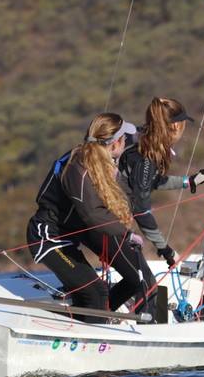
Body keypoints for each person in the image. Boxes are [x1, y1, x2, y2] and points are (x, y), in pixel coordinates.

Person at [27, 112, 156, 322]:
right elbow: (92, 214)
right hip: (49, 237)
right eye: (124, 139)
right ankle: (89, 324)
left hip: (78, 231)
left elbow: (127, 197)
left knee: (137, 278)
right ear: (114, 143)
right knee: (97, 293)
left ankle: (96, 318)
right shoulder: (77, 166)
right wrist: (126, 234)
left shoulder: (105, 162)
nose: (127, 142)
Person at [118, 97, 204, 267]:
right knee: (139, 279)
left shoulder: (145, 139)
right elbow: (141, 208)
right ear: (176, 126)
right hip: (103, 220)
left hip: (104, 217)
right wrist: (164, 248)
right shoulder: (147, 157)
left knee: (137, 277)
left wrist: (191, 181)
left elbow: (150, 181)